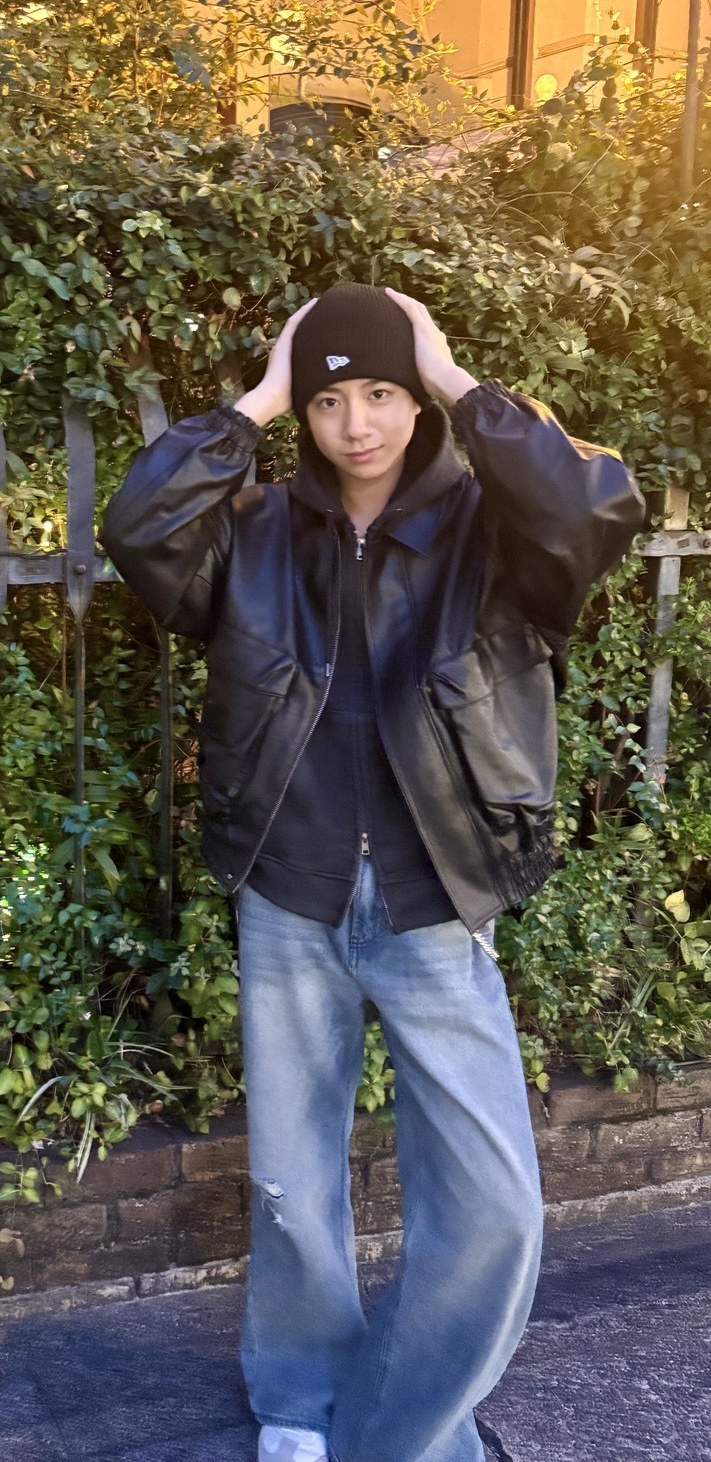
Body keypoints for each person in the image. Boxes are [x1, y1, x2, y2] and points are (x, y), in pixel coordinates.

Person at [99, 283, 643, 1462]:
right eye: (331, 400)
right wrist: (257, 398)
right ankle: (299, 1403)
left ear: (419, 399)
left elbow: (595, 504)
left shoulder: (497, 535)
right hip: (287, 890)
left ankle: (397, 1432)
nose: (358, 424)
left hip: (432, 896)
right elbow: (138, 529)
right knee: (293, 1187)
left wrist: (454, 377)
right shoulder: (251, 534)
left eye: (385, 393)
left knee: (494, 1208)